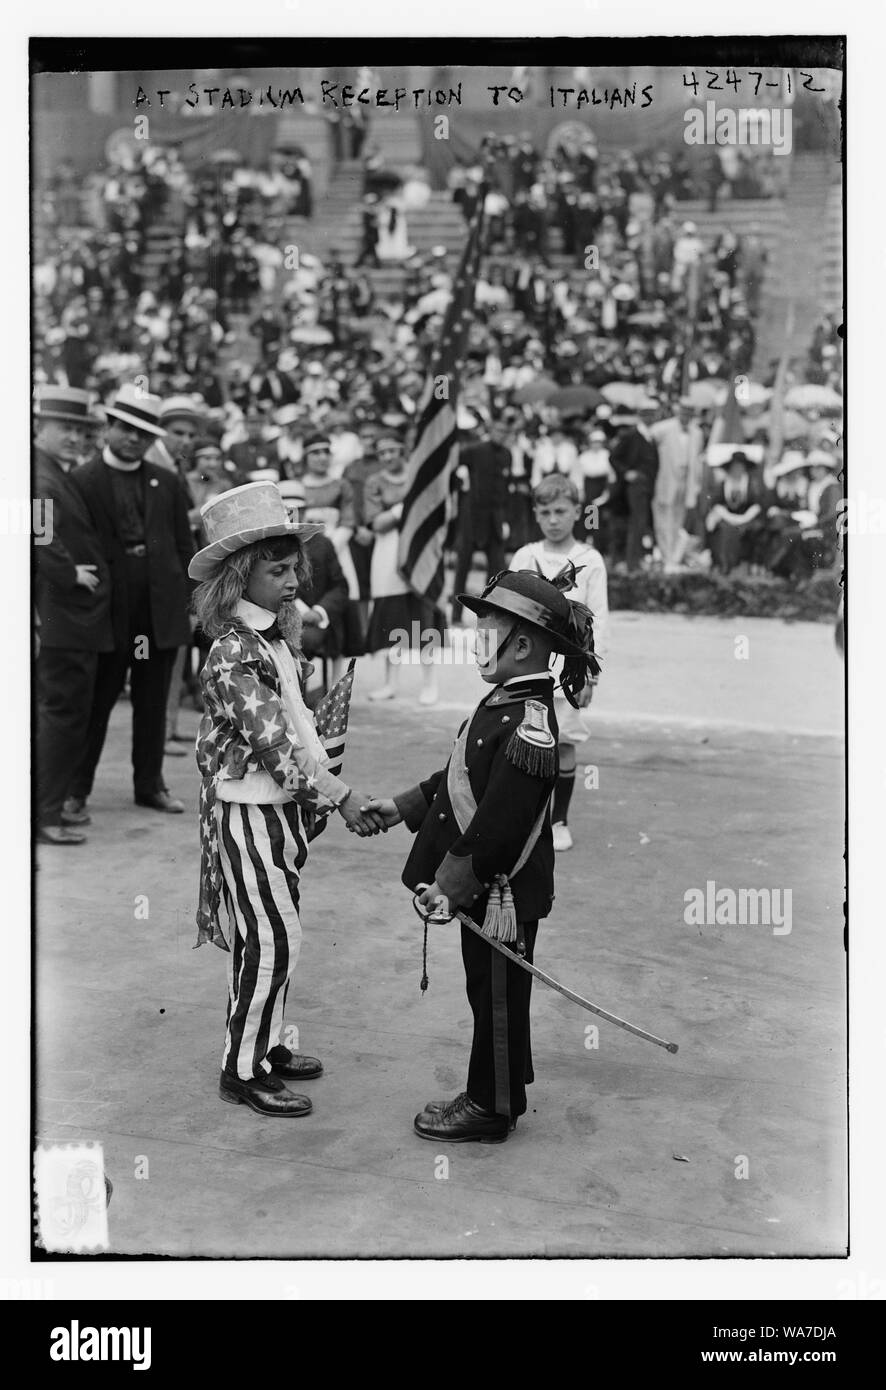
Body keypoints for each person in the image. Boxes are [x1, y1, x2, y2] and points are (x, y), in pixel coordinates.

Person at [366, 568, 601, 1142]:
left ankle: (491, 1108)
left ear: (521, 646)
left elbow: (497, 827)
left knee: (494, 995)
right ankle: (506, 1084)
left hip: (501, 889)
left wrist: (449, 885)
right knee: (493, 990)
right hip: (492, 886)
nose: (472, 642)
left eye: (483, 633)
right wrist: (402, 808)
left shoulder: (529, 725)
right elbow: (459, 779)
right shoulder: (506, 701)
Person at [190, 481, 385, 1118]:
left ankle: (266, 1044)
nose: (292, 580)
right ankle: (241, 1069)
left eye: (293, 567)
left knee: (275, 931)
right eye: (275, 571)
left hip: (278, 812)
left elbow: (300, 727)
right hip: (249, 810)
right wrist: (344, 797)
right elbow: (279, 748)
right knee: (271, 940)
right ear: (237, 579)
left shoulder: (273, 639)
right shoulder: (232, 654)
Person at [67, 384, 194, 816]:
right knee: (98, 701)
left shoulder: (169, 482)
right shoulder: (81, 480)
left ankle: (149, 785)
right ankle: (76, 788)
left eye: (143, 433)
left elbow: (182, 546)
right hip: (107, 610)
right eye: (125, 429)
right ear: (108, 427)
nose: (133, 439)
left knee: (152, 701)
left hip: (155, 611)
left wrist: (189, 603)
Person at [509, 473, 608, 851]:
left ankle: (559, 819)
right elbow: (508, 611)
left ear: (577, 513)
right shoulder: (525, 556)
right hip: (527, 663)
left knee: (564, 740)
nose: (553, 519)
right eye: (546, 512)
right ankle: (525, 819)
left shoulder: (589, 560)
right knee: (524, 740)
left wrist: (590, 676)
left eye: (561, 511)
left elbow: (599, 618)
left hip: (568, 666)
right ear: (536, 514)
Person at [33, 387, 114, 845]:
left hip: (72, 619)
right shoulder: (40, 477)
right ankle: (44, 815)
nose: (74, 438)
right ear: (38, 427)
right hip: (66, 616)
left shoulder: (49, 471)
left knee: (64, 714)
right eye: (64, 427)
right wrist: (69, 574)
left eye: (80, 430)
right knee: (62, 716)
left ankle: (49, 806)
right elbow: (39, 535)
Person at [363, 431, 443, 706]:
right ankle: (390, 682)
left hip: (420, 549)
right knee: (392, 618)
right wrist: (403, 509)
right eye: (381, 453)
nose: (387, 458)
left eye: (392, 451)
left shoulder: (419, 476)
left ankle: (430, 682)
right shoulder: (374, 482)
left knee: (423, 615)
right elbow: (375, 523)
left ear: (402, 451)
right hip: (388, 551)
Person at [451, 421, 513, 624]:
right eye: (497, 430)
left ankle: (491, 616)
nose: (500, 434)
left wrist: (504, 519)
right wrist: (460, 485)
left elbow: (504, 487)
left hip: (494, 515)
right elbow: (452, 463)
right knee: (463, 564)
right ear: (490, 431)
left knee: (497, 567)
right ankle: (456, 616)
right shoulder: (475, 450)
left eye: (504, 431)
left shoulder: (506, 454)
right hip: (472, 513)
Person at [650, 397, 705, 572]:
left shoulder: (697, 433)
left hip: (686, 480)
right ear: (677, 411)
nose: (686, 415)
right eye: (684, 411)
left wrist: (695, 484)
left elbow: (697, 460)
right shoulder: (661, 429)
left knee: (679, 519)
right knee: (663, 518)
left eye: (690, 412)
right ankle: (666, 556)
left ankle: (674, 557)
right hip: (666, 479)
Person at [609, 399, 660, 572]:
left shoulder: (652, 436)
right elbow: (614, 457)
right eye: (645, 414)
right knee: (637, 523)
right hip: (636, 486)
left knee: (642, 523)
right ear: (640, 416)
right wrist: (626, 473)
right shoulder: (631, 436)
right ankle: (632, 563)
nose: (649, 418)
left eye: (651, 414)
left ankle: (636, 559)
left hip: (649, 486)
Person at [705, 450, 767, 574]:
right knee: (724, 531)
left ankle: (750, 565)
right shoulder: (723, 484)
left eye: (740, 466)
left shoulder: (753, 484)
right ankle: (724, 565)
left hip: (749, 519)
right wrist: (730, 518)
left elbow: (758, 504)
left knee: (755, 530)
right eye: (735, 467)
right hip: (727, 518)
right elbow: (716, 503)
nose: (737, 469)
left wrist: (743, 519)